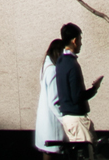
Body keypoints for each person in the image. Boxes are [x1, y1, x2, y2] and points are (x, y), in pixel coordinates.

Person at [55, 22, 103, 157]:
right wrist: (94, 88)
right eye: (80, 40)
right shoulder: (72, 64)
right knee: (88, 155)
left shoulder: (60, 62)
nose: (81, 43)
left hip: (67, 119)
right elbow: (77, 96)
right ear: (74, 40)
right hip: (77, 119)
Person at [35, 38, 65, 156]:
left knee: (47, 153)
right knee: (52, 152)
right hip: (53, 124)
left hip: (46, 123)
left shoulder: (45, 67)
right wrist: (65, 120)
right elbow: (54, 101)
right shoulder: (53, 70)